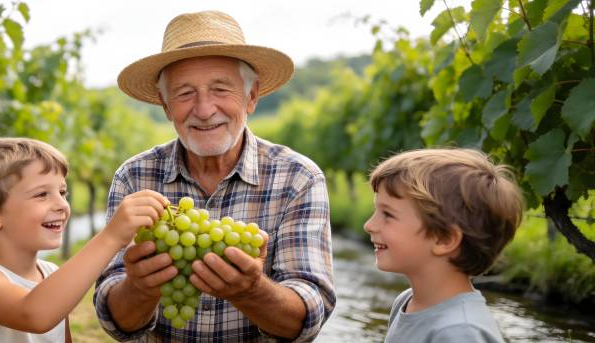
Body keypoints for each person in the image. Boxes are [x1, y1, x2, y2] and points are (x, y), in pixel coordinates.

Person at [94, 10, 335, 342]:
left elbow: (309, 317)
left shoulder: (298, 177)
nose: (205, 110)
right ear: (165, 107)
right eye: (184, 93)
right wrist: (138, 288)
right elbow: (115, 321)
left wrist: (251, 291)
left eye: (221, 89)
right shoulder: (133, 177)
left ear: (251, 97)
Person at [0, 137, 168, 342]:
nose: (61, 205)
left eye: (62, 192)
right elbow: (35, 315)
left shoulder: (50, 273)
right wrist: (111, 237)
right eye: (42, 194)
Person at [363, 148, 524, 343]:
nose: (369, 225)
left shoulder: (461, 333)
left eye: (388, 214)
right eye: (376, 210)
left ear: (444, 239)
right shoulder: (406, 301)